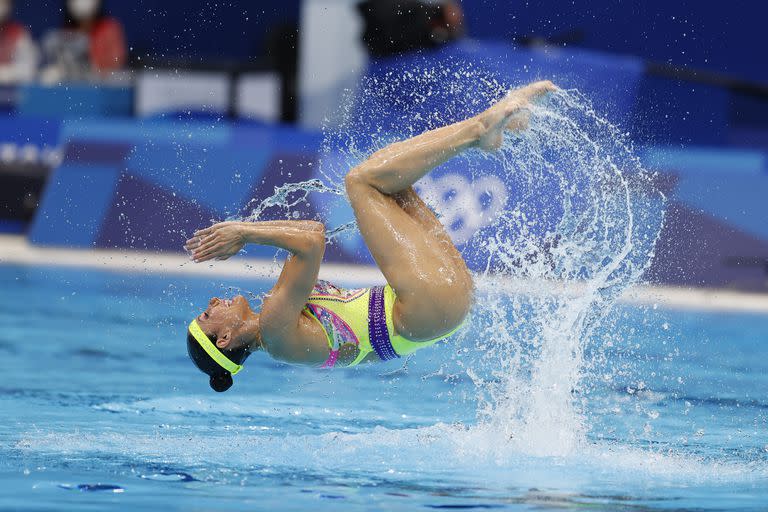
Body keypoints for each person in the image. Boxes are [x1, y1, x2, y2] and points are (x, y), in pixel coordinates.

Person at [184, 80, 556, 392]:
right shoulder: (274, 331)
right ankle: (479, 130)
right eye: (207, 314)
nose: (214, 301)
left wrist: (246, 232)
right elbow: (311, 243)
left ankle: (490, 133)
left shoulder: (275, 318)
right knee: (361, 181)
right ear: (225, 339)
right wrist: (244, 232)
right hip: (424, 308)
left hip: (433, 308)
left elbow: (311, 232)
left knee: (391, 183)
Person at [40, 0, 126, 83]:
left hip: (101, 89)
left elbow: (115, 65)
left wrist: (93, 69)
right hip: (76, 87)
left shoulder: (109, 30)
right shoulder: (67, 31)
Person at [0, 0, 38, 83]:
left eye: (2, 2)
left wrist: (6, 73)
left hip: (9, 91)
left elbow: (29, 68)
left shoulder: (18, 33)